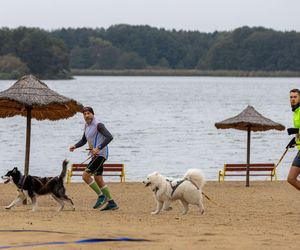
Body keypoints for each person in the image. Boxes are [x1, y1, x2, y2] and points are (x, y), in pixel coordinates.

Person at [69, 106, 118, 210]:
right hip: (95, 155)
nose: (87, 115)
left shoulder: (98, 125)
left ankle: (101, 196)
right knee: (98, 178)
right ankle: (112, 203)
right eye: (85, 114)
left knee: (85, 176)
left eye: (88, 113)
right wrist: (75, 146)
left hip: (100, 155)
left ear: (93, 114)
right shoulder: (86, 126)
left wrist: (99, 148)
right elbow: (83, 140)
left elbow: (110, 137)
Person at [286, 89, 300, 190]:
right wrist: (295, 140)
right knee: (291, 179)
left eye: (295, 97)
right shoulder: (296, 112)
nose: (293, 99)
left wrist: (296, 130)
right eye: (291, 97)